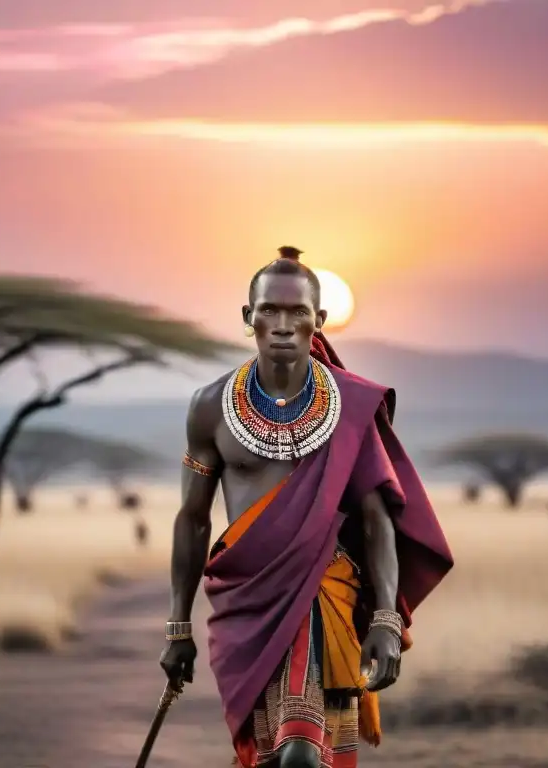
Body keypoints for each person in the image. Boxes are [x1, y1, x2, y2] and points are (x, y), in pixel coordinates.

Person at [161, 246, 454, 768]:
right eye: (269, 310)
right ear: (247, 316)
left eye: (297, 312)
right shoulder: (209, 406)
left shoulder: (350, 405)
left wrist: (386, 619)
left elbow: (375, 515)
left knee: (301, 755)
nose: (282, 324)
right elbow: (193, 518)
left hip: (325, 595)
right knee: (275, 756)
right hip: (245, 607)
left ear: (319, 320)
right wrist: (178, 629)